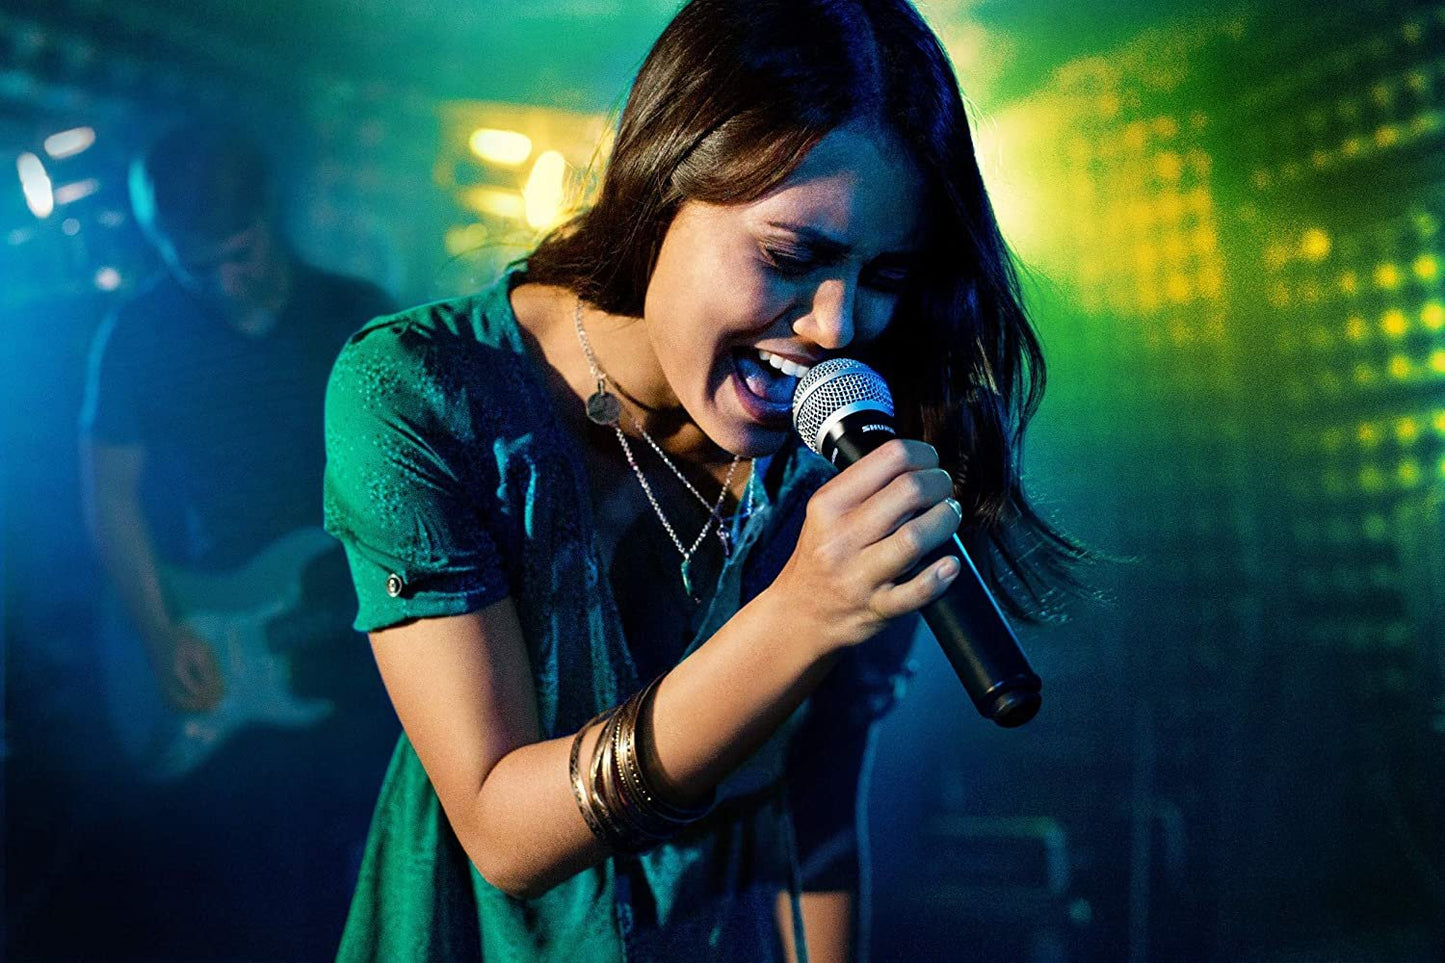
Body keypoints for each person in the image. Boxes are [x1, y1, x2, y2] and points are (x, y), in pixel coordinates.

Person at [322, 1, 1081, 960]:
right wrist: (800, 614)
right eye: (789, 256)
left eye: (885, 275)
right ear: (659, 188)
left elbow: (817, 810)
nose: (837, 325)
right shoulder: (423, 391)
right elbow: (503, 832)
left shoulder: (864, 437)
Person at [78, 123, 399, 960]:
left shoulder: (358, 314)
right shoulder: (138, 333)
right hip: (224, 641)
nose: (225, 280)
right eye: (197, 265)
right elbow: (109, 494)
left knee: (370, 879)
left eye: (240, 253)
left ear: (268, 212)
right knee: (251, 902)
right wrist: (159, 633)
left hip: (361, 641)